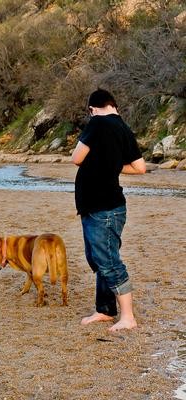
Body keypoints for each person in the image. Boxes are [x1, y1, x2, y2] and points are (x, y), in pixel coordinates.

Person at [71, 89, 146, 332]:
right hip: (107, 208)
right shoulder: (123, 127)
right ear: (113, 105)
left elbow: (76, 157)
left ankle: (128, 317)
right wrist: (110, 165)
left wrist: (105, 164)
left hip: (103, 208)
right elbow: (140, 167)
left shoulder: (97, 123)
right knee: (99, 259)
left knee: (108, 261)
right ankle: (104, 310)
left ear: (93, 109)